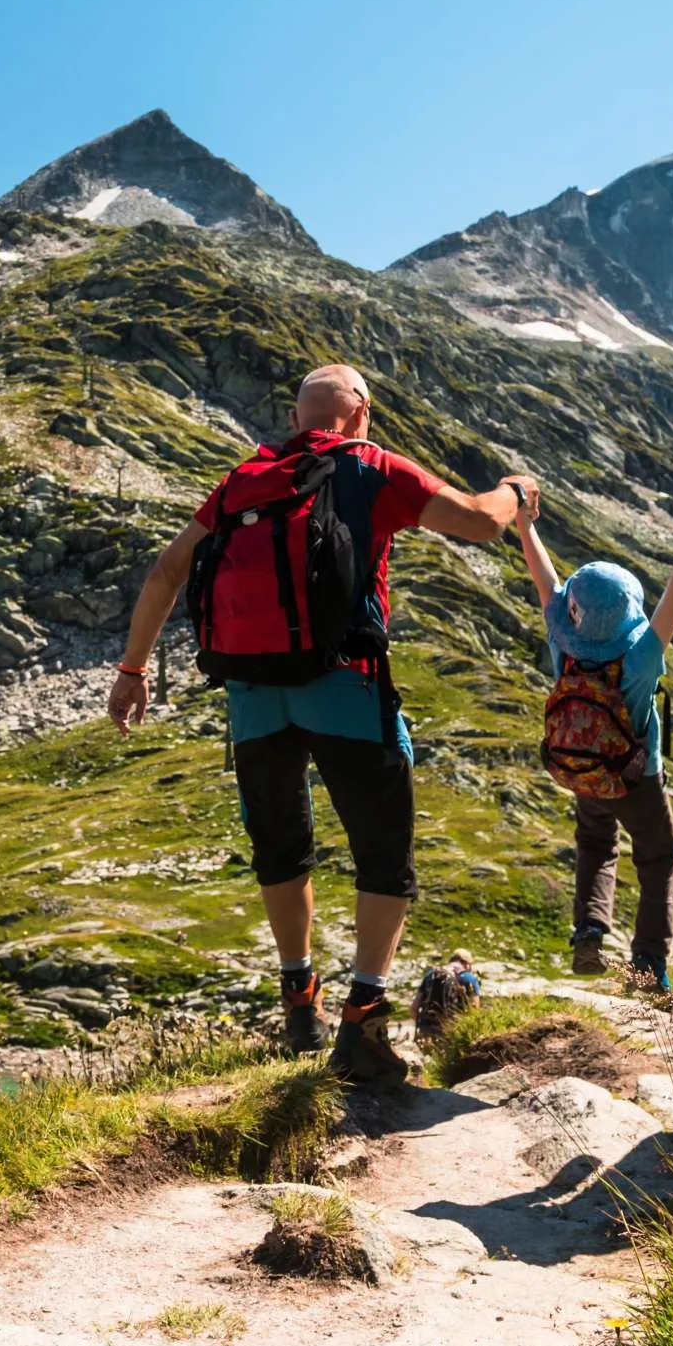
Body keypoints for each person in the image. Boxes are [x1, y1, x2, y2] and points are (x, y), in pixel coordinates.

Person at [108, 364, 535, 1087]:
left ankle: (299, 1004)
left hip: (253, 695)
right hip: (344, 686)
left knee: (282, 848)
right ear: (361, 413)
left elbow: (166, 569)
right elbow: (478, 522)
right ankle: (363, 1024)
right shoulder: (370, 466)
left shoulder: (246, 477)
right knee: (384, 856)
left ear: (300, 414)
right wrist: (517, 492)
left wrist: (133, 670)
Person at [512, 484, 673, 988]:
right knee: (658, 854)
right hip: (638, 777)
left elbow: (546, 582)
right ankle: (648, 963)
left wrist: (525, 525)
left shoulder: (564, 642)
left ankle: (590, 934)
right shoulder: (640, 655)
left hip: (582, 769)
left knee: (596, 844)